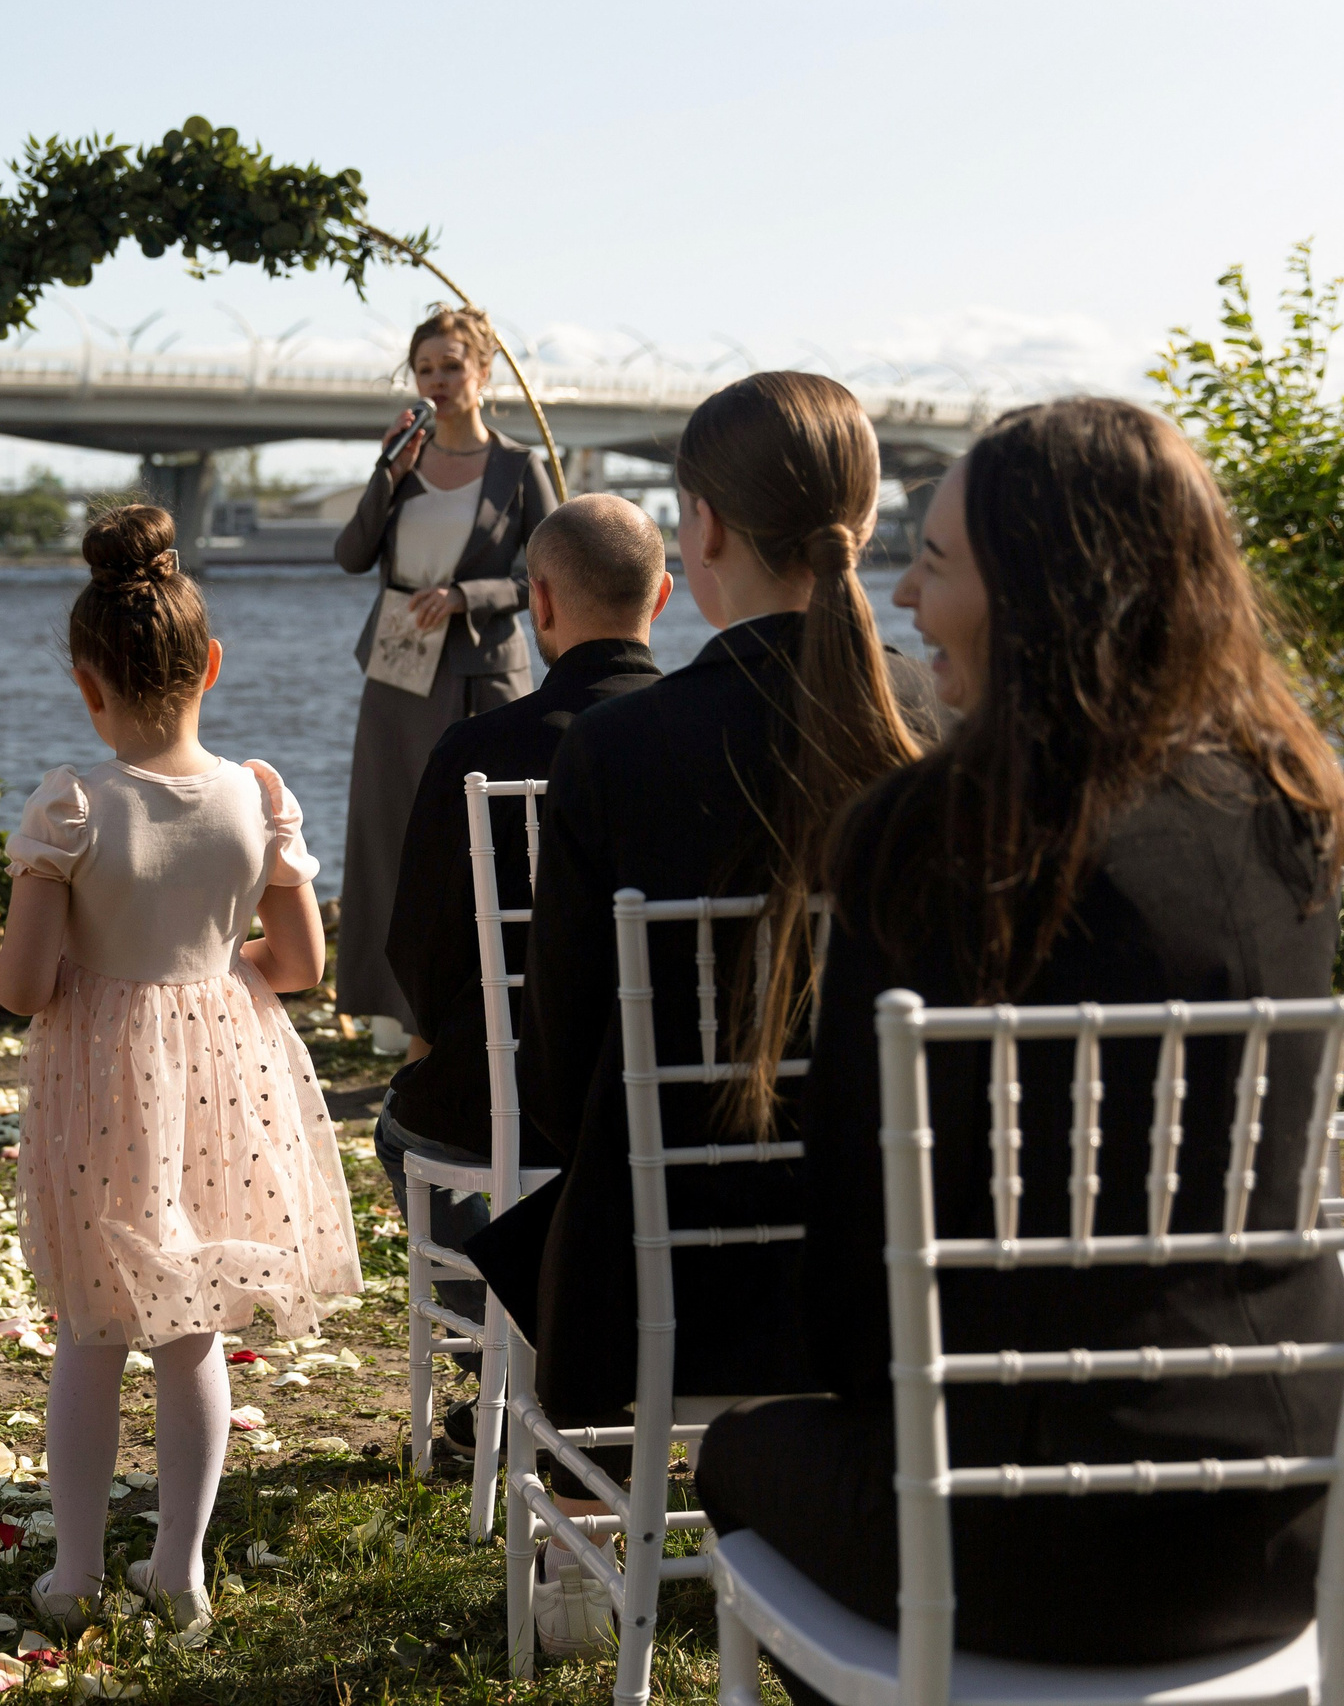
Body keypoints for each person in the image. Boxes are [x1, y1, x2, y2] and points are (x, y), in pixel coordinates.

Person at [700, 399, 1344, 1672]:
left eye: (931, 564)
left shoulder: (929, 834)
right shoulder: (1287, 812)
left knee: (736, 1454)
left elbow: (850, 1270)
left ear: (1036, 592)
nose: (899, 593)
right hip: (1287, 1522)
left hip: (1013, 1537)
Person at [468, 371, 939, 1654]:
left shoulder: (618, 751)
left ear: (704, 529)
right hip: (901, 1251)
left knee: (572, 1202)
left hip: (668, 1269)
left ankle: (580, 1576)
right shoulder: (941, 728)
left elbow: (568, 1075)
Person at [0, 504, 361, 1637]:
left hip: (105, 1085)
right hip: (223, 1075)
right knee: (191, 1331)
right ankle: (181, 1566)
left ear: (84, 681)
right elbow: (299, 965)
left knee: (93, 1333)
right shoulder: (259, 794)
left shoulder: (72, 805)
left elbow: (21, 984)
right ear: (210, 663)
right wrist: (218, 963)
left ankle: (72, 1576)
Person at [375, 494, 670, 1456]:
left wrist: (435, 1034)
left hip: (507, 1094)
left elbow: (418, 947)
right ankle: (582, 1347)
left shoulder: (479, 749)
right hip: (667, 1102)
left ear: (537, 602)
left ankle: (519, 1358)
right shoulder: (699, 738)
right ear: (661, 596)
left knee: (402, 1127)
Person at [332, 304, 559, 1042]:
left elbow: (548, 576)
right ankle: (395, 1007)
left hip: (485, 674)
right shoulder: (402, 461)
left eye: (451, 365)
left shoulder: (520, 467)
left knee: (490, 835)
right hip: (398, 674)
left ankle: (495, 1003)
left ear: (484, 372)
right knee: (390, 830)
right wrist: (385, 473)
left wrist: (468, 595)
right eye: (425, 367)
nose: (437, 380)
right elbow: (351, 554)